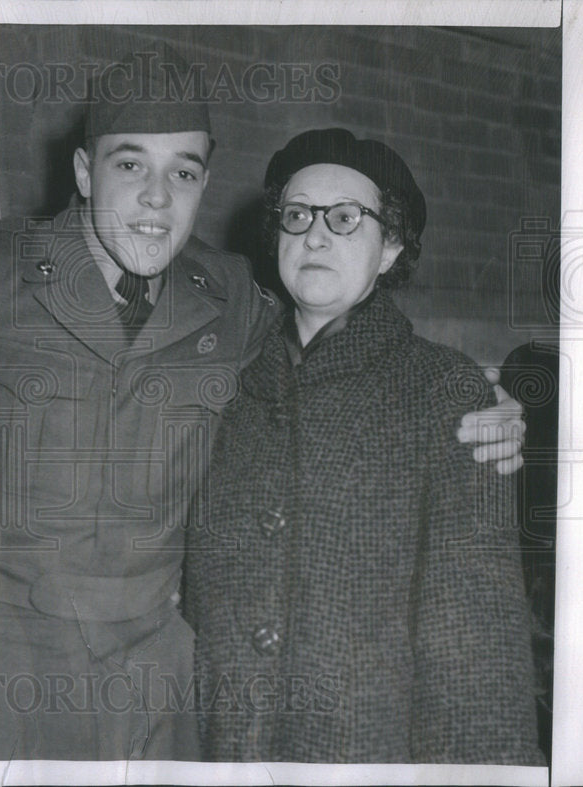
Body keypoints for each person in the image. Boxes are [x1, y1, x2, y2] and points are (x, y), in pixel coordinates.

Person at [0, 50, 526, 761]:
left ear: (207, 184)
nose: (155, 198)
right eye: (129, 166)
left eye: (183, 173)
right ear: (82, 170)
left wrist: (479, 402)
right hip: (11, 669)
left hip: (166, 678)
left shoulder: (230, 296)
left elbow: (335, 356)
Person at [184, 128, 544, 764]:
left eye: (346, 218)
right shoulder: (224, 382)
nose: (314, 235)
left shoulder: (443, 390)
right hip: (219, 751)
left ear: (390, 247)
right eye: (296, 216)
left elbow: (477, 647)